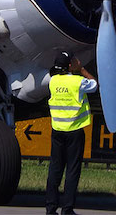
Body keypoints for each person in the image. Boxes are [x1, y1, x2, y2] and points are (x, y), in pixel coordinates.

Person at [45, 52, 98, 215]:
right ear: (70, 66)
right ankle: (67, 209)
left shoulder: (52, 82)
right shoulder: (78, 82)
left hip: (58, 130)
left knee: (55, 169)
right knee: (72, 170)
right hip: (74, 131)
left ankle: (50, 207)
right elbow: (94, 85)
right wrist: (81, 68)